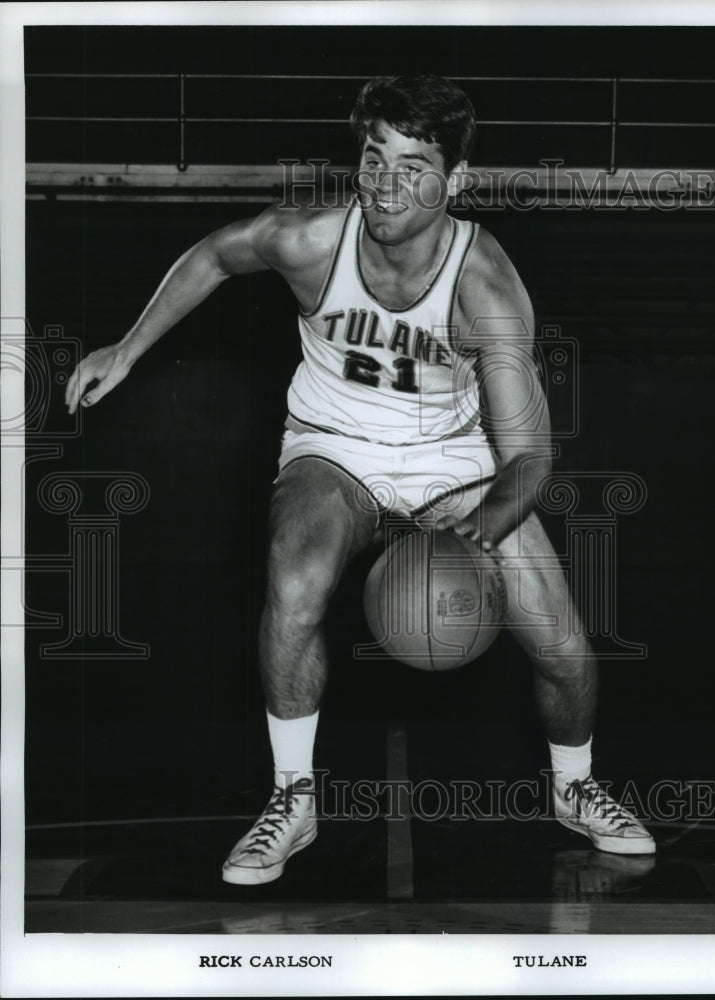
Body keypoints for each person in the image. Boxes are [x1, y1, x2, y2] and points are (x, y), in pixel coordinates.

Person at [65, 75, 655, 886]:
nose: (385, 183)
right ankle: (293, 801)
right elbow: (214, 254)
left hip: (455, 461)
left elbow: (530, 457)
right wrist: (125, 349)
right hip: (333, 447)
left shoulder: (484, 288)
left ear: (456, 181)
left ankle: (576, 787)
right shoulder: (313, 241)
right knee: (295, 579)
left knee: (562, 644)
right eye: (375, 158)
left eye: (414, 166)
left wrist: (476, 532)